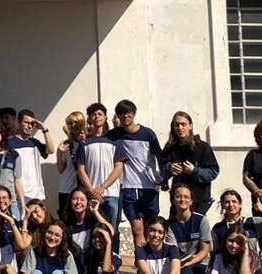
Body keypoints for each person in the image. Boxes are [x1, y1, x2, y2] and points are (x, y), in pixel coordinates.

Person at [109, 99, 162, 248]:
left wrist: (163, 179)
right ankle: (141, 264)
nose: (125, 117)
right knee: (137, 230)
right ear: (117, 117)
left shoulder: (148, 134)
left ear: (133, 114)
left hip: (149, 187)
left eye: (128, 113)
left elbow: (160, 156)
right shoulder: (114, 135)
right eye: (121, 114)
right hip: (129, 188)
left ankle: (152, 262)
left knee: (151, 229)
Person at [159, 112, 219, 215]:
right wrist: (170, 168)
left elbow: (213, 171)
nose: (180, 128)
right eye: (176, 125)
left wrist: (195, 171)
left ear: (190, 126)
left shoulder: (203, 147)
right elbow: (160, 170)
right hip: (177, 202)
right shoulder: (169, 148)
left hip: (199, 201)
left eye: (183, 124)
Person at [76, 103, 123, 232]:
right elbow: (80, 169)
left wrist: (103, 187)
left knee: (112, 229)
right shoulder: (84, 143)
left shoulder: (114, 142)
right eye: (93, 114)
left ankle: (113, 252)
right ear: (89, 119)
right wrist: (92, 191)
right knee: (93, 229)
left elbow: (118, 167)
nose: (97, 116)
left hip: (111, 193)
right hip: (91, 195)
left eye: (100, 114)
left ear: (105, 117)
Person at [211, 189, 262, 261]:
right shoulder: (218, 228)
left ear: (240, 204)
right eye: (227, 202)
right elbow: (214, 251)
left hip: (251, 266)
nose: (231, 205)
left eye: (234, 202)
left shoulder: (252, 222)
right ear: (223, 206)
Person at [9, 110, 54, 210]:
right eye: (26, 122)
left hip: (36, 193)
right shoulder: (9, 143)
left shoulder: (34, 142)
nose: (29, 126)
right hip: (18, 193)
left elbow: (51, 150)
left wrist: (44, 129)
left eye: (32, 124)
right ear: (18, 122)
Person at [64, 190, 118, 274]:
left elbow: (110, 231)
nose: (78, 202)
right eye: (75, 199)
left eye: (82, 199)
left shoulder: (93, 222)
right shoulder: (66, 225)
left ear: (87, 203)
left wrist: (95, 212)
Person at [166, 184, 212, 274]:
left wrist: (191, 263)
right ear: (173, 201)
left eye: (186, 197)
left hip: (201, 262)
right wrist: (183, 265)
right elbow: (173, 253)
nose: (182, 200)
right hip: (180, 264)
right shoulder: (169, 225)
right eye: (178, 197)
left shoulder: (201, 220)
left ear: (191, 201)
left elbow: (205, 250)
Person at [57, 112, 87, 211]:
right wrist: (59, 153)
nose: (73, 125)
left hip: (85, 188)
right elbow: (61, 169)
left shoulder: (89, 142)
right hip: (67, 188)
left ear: (82, 123)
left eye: (76, 122)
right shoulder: (66, 144)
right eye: (70, 123)